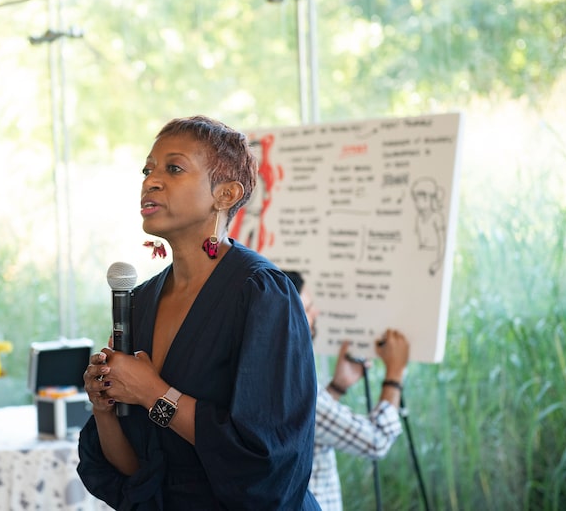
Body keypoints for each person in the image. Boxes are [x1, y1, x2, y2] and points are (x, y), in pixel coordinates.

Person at [77, 115, 321, 510]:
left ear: (225, 195)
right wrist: (105, 409)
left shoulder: (262, 293)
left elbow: (269, 463)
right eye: (148, 169)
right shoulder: (139, 301)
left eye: (173, 168)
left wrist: (153, 392)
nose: (150, 181)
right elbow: (138, 471)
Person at [292, 272, 410, 511]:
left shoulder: (267, 372)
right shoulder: (296, 384)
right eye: (307, 308)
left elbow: (305, 428)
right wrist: (395, 374)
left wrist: (337, 387)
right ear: (285, 318)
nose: (316, 314)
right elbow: (377, 441)